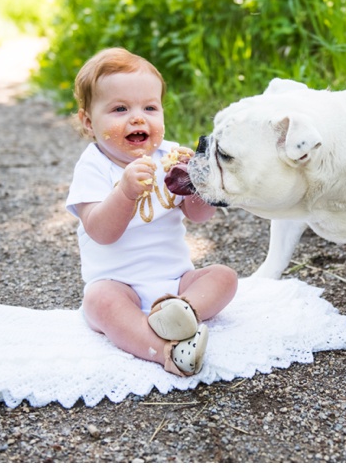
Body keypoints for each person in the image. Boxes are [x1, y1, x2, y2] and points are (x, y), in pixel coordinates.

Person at [65, 47, 238, 376]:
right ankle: (168, 353)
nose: (137, 117)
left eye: (150, 107)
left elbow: (199, 216)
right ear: (89, 122)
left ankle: (183, 311)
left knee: (224, 278)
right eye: (119, 109)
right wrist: (125, 192)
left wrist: (197, 183)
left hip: (176, 281)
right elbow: (101, 232)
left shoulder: (171, 154)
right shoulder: (93, 166)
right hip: (120, 285)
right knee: (99, 302)